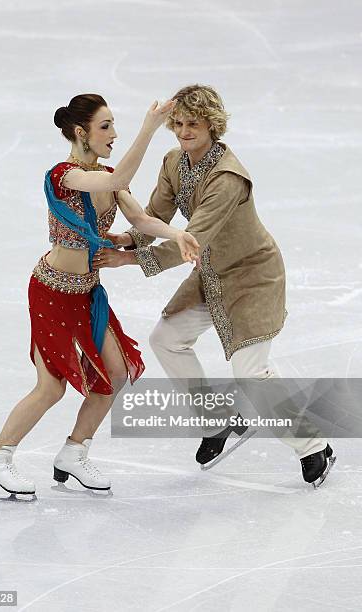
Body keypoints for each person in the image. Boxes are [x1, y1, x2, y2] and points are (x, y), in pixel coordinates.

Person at [94, 84, 336, 488]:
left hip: (252, 276)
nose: (185, 131)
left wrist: (131, 260)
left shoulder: (227, 177)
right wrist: (129, 239)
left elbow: (193, 239)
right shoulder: (175, 161)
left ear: (212, 124)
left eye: (194, 124)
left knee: (250, 372)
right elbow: (157, 213)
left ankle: (314, 447)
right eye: (180, 123)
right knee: (166, 339)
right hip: (210, 273)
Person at [0, 93, 200, 498]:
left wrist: (178, 233)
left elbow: (141, 219)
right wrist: (150, 128)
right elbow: (114, 182)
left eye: (114, 125)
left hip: (87, 293)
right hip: (51, 292)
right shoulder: (65, 176)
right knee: (51, 388)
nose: (114, 135)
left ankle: (73, 453)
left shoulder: (108, 177)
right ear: (81, 132)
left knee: (114, 374)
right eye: (105, 127)